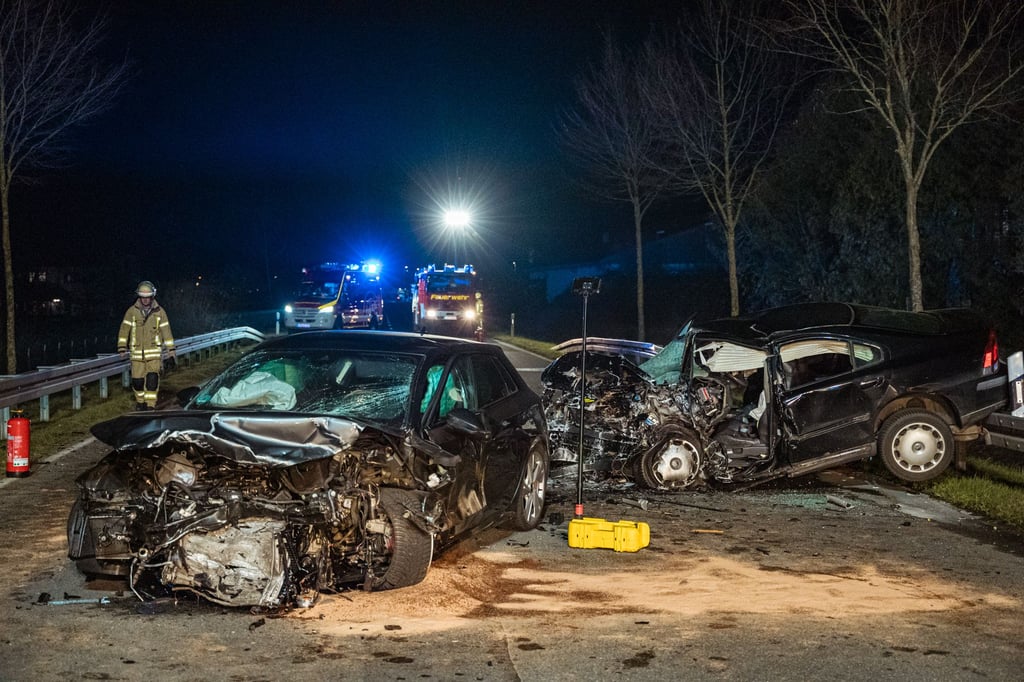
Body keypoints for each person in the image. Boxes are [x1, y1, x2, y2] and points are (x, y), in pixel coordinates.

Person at [117, 281, 176, 410]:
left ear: (152, 296)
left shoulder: (160, 312)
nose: (145, 300)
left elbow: (166, 331)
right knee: (137, 382)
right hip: (137, 354)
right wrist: (122, 346)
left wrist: (171, 351)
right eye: (143, 297)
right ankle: (140, 401)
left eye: (147, 296)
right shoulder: (132, 312)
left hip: (154, 353)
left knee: (152, 380)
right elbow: (124, 329)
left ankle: (150, 405)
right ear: (139, 296)